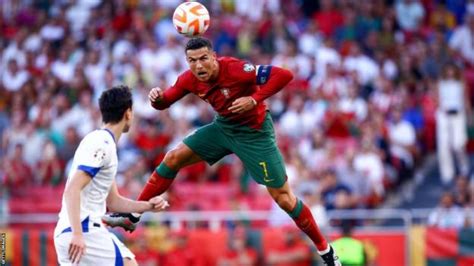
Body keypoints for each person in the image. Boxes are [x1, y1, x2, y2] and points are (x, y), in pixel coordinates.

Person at [103, 37, 340, 265]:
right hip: (223, 128)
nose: (198, 65)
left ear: (214, 57)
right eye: (192, 60)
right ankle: (132, 216)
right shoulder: (189, 79)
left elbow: (284, 75)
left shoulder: (237, 69)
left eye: (203, 58)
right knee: (173, 157)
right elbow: (165, 102)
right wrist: (157, 99)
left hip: (254, 133)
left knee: (284, 199)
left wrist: (254, 99)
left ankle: (326, 251)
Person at [53, 85, 169, 266]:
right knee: (129, 264)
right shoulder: (103, 144)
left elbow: (113, 202)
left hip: (72, 232)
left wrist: (148, 206)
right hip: (83, 229)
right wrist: (77, 234)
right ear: (128, 113)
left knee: (129, 261)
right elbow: (72, 189)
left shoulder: (101, 141)